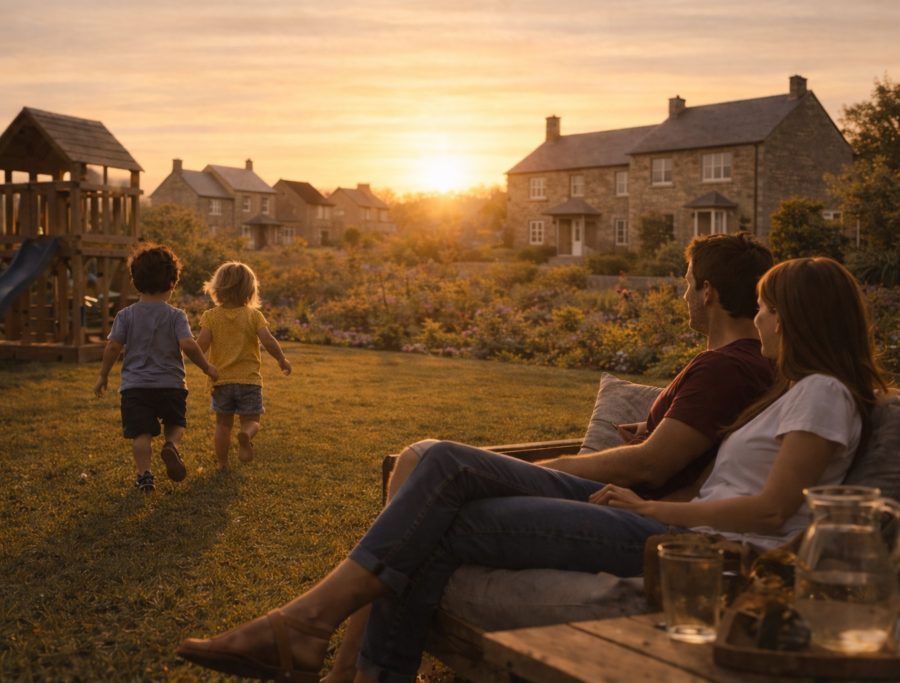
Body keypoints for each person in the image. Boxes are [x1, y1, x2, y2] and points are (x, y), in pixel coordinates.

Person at [176, 257, 890, 683]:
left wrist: (654, 512)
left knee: (448, 472)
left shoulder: (825, 391)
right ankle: (320, 642)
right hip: (674, 530)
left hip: (702, 553)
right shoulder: (795, 393)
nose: (758, 321)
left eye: (766, 309)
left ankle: (304, 628)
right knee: (445, 513)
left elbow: (771, 511)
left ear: (796, 317)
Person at [323, 231, 776, 682]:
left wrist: (554, 467)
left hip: (626, 506)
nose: (683, 293)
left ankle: (341, 658)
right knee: (420, 461)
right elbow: (694, 441)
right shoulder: (745, 362)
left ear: (708, 292)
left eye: (687, 281)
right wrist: (657, 425)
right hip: (629, 502)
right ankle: (349, 667)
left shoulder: (725, 366)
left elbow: (649, 465)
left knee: (431, 462)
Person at [93, 242, 220, 492]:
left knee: (141, 433)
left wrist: (103, 375)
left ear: (135, 282)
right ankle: (171, 445)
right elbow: (189, 345)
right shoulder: (176, 315)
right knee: (175, 424)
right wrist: (207, 367)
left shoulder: (125, 315)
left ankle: (145, 476)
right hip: (171, 385)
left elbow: (112, 348)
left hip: (135, 387)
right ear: (172, 283)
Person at [197, 261, 292, 470]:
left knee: (222, 425)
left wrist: (202, 365)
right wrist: (281, 359)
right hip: (249, 380)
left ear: (217, 288)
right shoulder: (254, 315)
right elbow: (268, 341)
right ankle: (246, 434)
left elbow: (200, 345)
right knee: (251, 420)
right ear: (250, 290)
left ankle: (222, 464)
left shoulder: (210, 316)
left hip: (220, 380)